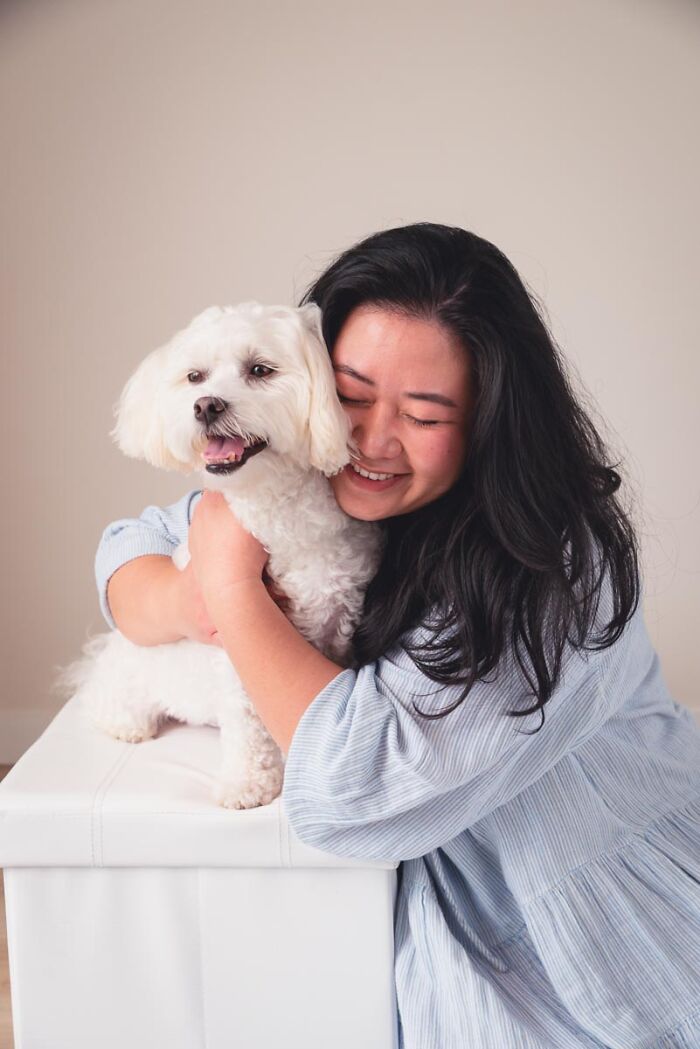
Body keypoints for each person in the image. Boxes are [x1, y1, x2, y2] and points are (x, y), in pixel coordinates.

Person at [94, 223, 700, 1048]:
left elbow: (353, 784)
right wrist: (189, 583)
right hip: (441, 916)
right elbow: (133, 545)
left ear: (488, 421)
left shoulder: (552, 572)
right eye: (349, 393)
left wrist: (234, 587)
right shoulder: (307, 478)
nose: (371, 441)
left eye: (423, 413)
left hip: (600, 940)